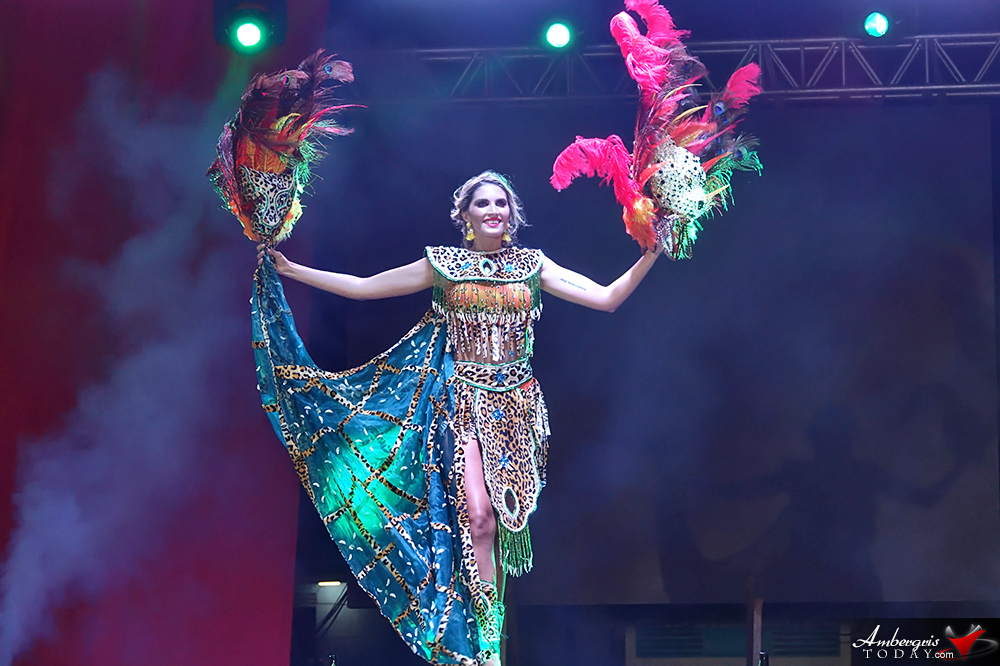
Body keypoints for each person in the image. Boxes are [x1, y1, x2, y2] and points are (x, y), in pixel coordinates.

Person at [255, 170, 661, 665]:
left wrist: (652, 250)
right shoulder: (444, 265)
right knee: (478, 517)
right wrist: (294, 271)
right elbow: (364, 288)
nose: (494, 210)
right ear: (465, 217)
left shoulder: (532, 265)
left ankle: (490, 628)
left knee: (505, 519)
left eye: (502, 204)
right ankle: (485, 647)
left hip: (518, 407)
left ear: (512, 216)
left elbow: (607, 298)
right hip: (463, 402)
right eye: (483, 204)